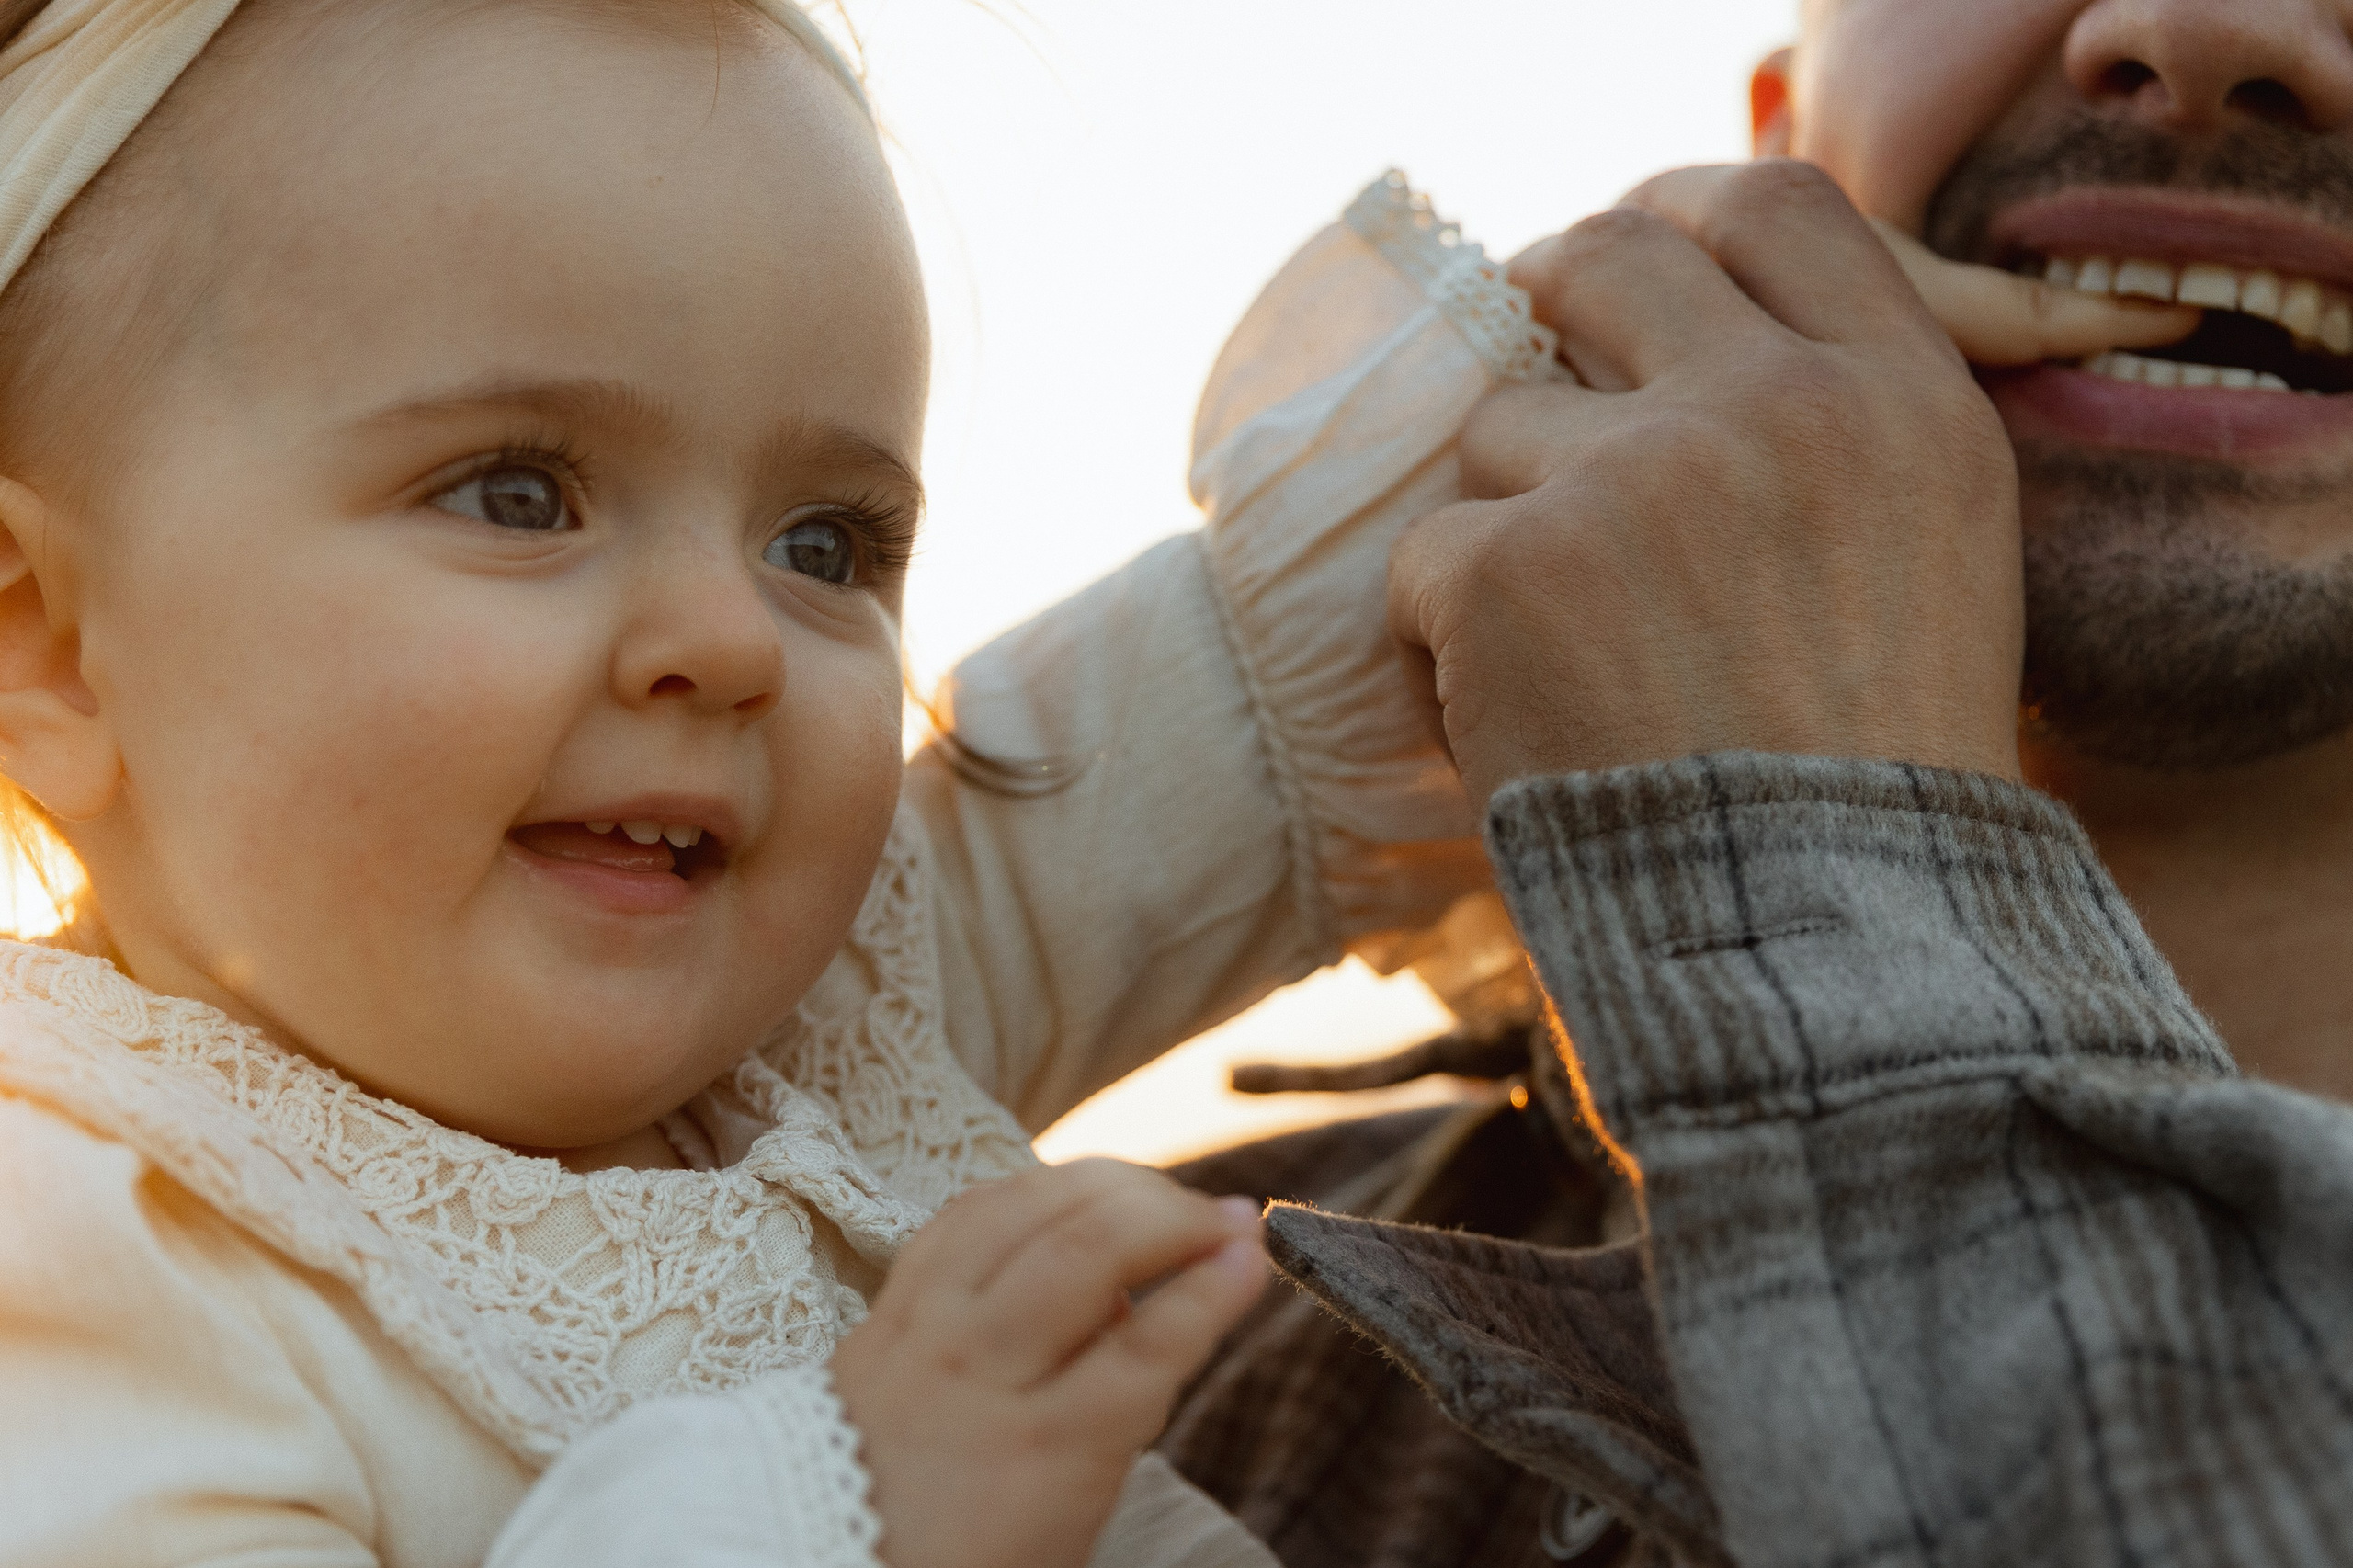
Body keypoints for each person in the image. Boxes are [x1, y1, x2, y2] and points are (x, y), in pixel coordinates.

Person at [0, 2, 1552, 1565]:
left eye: (826, 545)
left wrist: (1646, 383)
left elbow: (1230, 721)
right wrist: (846, 1509)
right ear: (45, 645)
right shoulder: (77, 1255)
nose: (731, 638)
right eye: (519, 494)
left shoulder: (826, 1018)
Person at [1161, 1, 2353, 1564]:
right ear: (1788, 146)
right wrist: (1240, 677)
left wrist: (1804, 852)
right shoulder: (1150, 1334)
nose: (2200, 26)